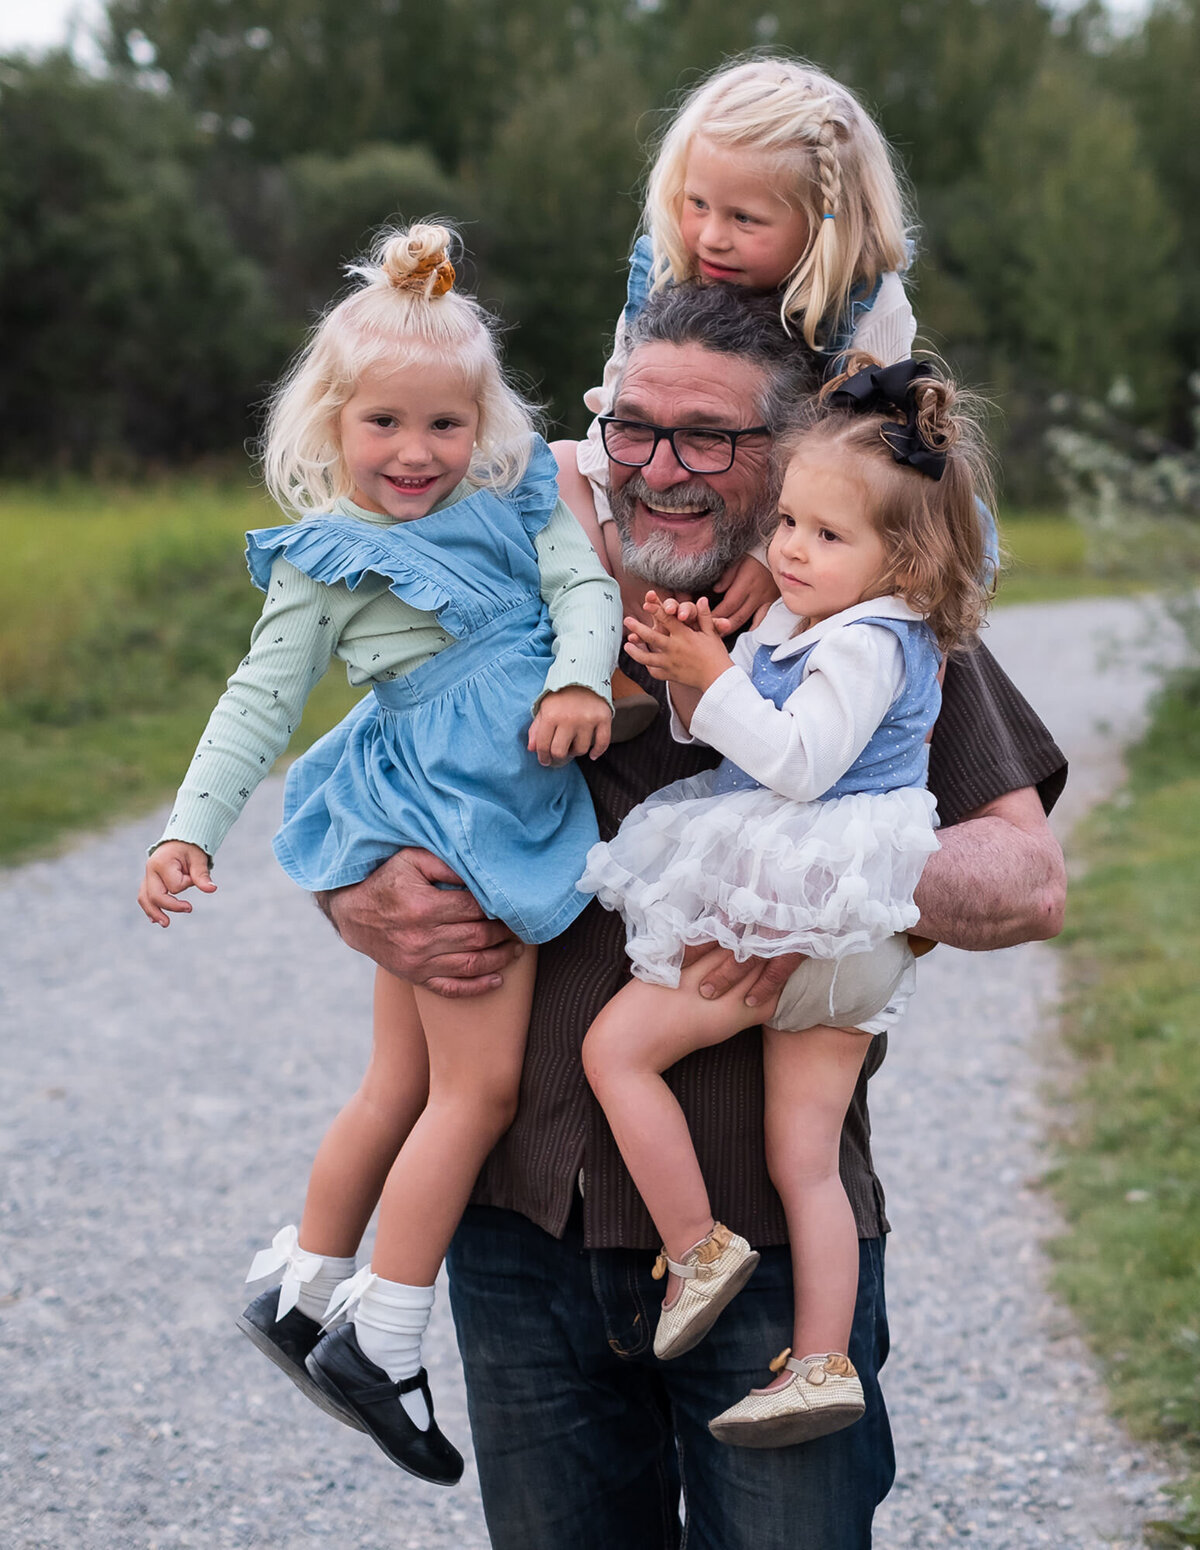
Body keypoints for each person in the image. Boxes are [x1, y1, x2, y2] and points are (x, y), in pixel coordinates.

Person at [320, 280, 1068, 1549]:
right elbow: (358, 790)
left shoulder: (864, 604)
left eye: (708, 438)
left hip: (773, 1244)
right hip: (519, 1236)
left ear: (782, 451)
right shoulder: (508, 590)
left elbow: (1027, 880)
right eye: (634, 429)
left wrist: (829, 868)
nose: (660, 467)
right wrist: (359, 895)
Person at [136, 223, 621, 1486]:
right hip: (454, 817)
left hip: (490, 779)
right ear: (332, 425)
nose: (414, 455)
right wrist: (192, 825)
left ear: (485, 421)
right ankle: (386, 1334)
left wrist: (579, 678)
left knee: (398, 1082)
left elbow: (586, 589)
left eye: (443, 427)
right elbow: (257, 700)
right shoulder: (328, 555)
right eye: (384, 426)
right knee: (481, 1090)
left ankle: (304, 1285)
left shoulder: (518, 493)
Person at [577, 355, 991, 1449]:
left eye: (825, 534)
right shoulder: (817, 619)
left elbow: (796, 760)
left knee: (617, 1052)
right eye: (791, 523)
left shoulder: (867, 639)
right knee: (802, 1157)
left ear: (904, 559)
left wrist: (715, 682)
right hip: (849, 921)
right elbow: (704, 726)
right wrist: (689, 664)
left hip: (812, 895)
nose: (792, 549)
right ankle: (819, 1361)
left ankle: (698, 1243)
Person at [560, 54, 973, 645]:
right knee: (556, 465)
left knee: (944, 517)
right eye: (697, 204)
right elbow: (622, 409)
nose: (710, 235)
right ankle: (613, 621)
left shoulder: (863, 304)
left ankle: (909, 663)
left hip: (809, 505)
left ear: (822, 225)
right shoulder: (664, 271)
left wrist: (766, 554)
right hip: (677, 494)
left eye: (744, 219)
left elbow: (869, 453)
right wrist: (624, 542)